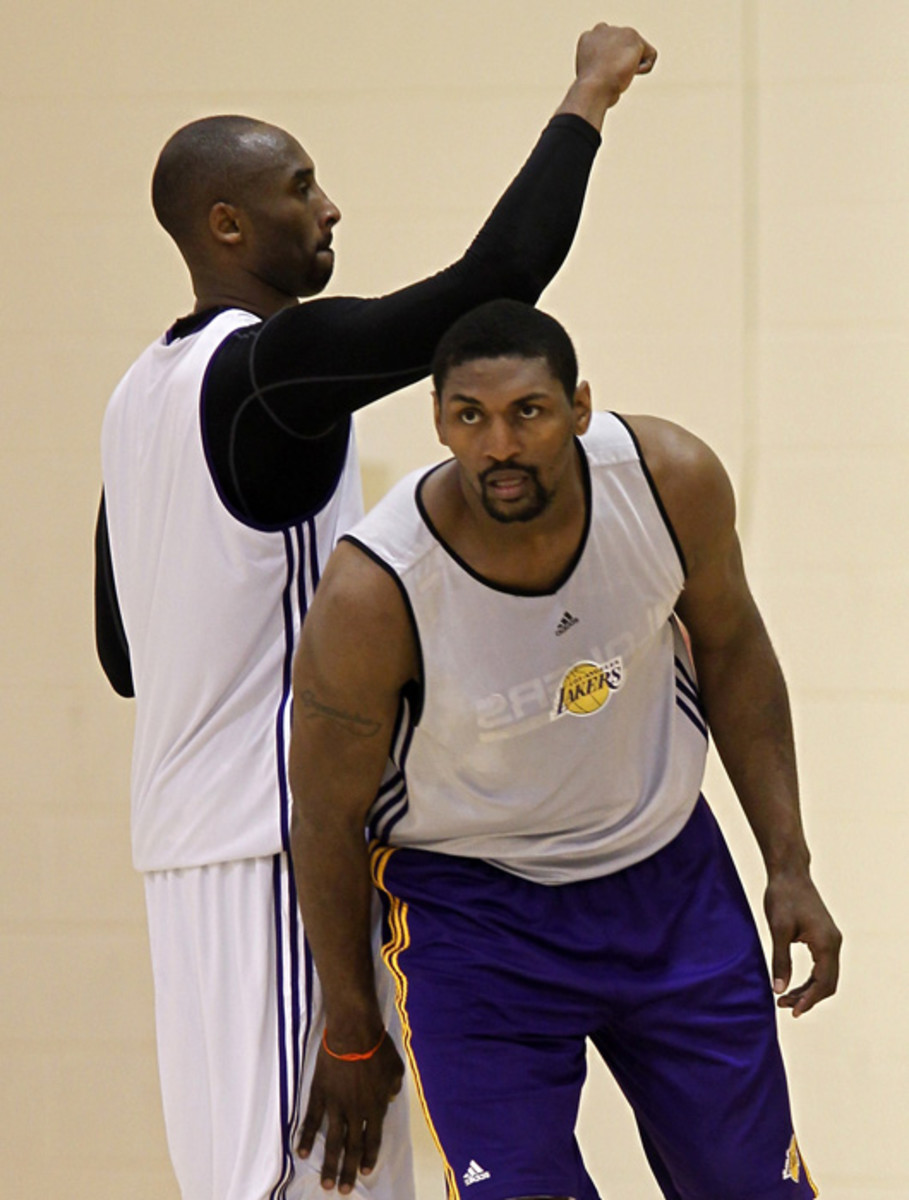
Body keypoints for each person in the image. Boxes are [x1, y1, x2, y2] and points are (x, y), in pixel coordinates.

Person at [95, 25, 657, 1200]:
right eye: (301, 188)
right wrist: (588, 95)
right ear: (227, 227)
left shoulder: (136, 399)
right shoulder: (267, 370)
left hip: (186, 861)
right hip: (278, 847)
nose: (331, 209)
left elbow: (121, 653)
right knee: (311, 1186)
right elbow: (494, 284)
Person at [288, 298, 842, 1200]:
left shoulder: (668, 482)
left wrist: (789, 862)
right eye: (470, 416)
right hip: (476, 916)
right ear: (437, 420)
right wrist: (350, 1024)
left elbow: (737, 654)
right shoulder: (375, 590)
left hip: (666, 881)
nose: (498, 444)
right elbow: (324, 813)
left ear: (578, 408)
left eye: (527, 413)